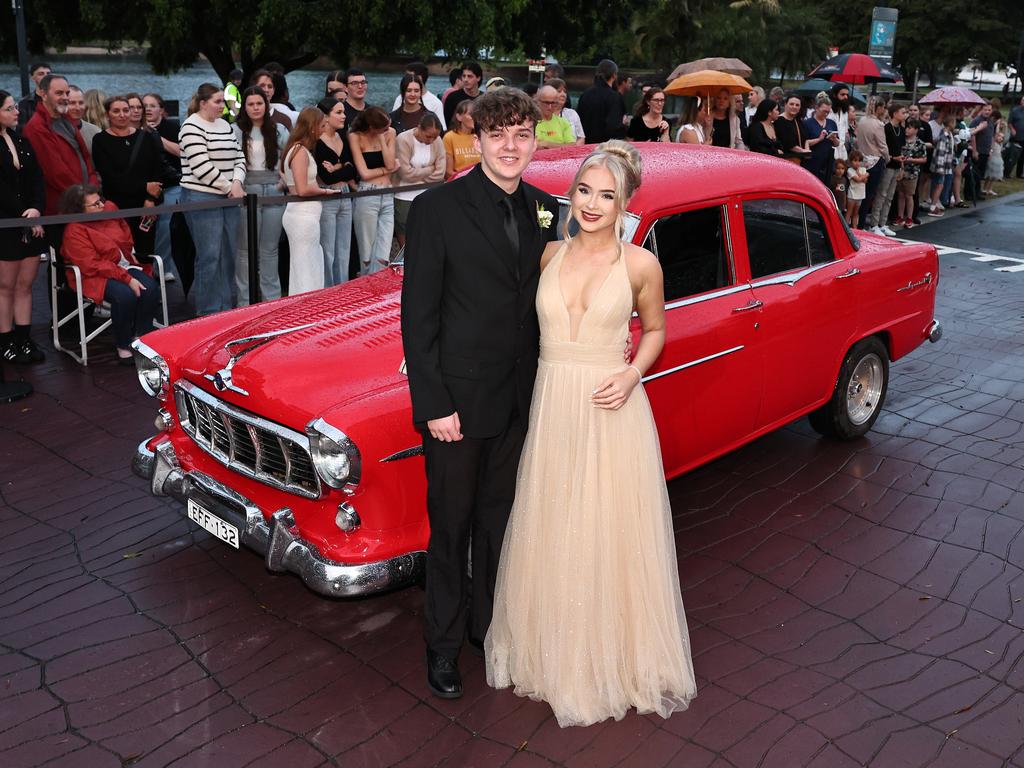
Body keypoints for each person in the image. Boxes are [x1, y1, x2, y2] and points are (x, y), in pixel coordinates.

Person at [485, 139, 697, 727]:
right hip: (552, 405)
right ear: (570, 196)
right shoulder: (547, 255)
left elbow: (654, 330)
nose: (593, 204)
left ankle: (610, 658)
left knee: (606, 531)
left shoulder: (640, 265)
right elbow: (496, 314)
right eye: (585, 191)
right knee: (553, 524)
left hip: (611, 408)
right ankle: (551, 650)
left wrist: (631, 374)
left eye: (608, 194)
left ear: (626, 201)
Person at [400, 87, 559, 700]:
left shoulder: (548, 209)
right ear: (478, 139)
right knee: (451, 532)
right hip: (457, 411)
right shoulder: (437, 209)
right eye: (499, 135)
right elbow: (419, 319)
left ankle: (485, 630)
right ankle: (440, 649)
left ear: (534, 139)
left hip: (520, 401)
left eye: (522, 134)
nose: (511, 146)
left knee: (499, 526)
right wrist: (434, 404)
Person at [59, 184, 160, 364]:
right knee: (125, 295)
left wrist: (127, 259)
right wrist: (127, 279)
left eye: (100, 201)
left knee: (150, 288)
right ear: (79, 209)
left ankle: (141, 338)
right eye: (95, 204)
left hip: (122, 266)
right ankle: (123, 344)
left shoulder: (109, 209)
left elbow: (125, 233)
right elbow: (91, 264)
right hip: (92, 275)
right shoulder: (74, 230)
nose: (101, 206)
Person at [179, 83, 246, 316]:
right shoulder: (190, 127)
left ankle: (227, 309)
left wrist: (237, 183)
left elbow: (239, 156)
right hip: (201, 197)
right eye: (218, 101)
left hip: (229, 196)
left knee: (228, 254)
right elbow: (200, 166)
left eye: (223, 101)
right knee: (209, 256)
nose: (222, 106)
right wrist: (230, 187)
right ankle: (207, 311)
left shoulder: (225, 125)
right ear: (203, 103)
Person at [91, 95, 176, 259]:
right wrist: (145, 187)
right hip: (117, 207)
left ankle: (148, 283)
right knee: (122, 252)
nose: (122, 114)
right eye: (116, 111)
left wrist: (150, 199)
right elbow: (111, 178)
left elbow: (157, 169)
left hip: (146, 206)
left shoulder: (146, 137)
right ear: (107, 114)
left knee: (146, 252)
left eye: (125, 110)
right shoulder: (101, 140)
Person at [0, 90, 46, 365]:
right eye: (9, 108)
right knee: (5, 286)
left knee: (25, 285)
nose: (16, 111)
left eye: (15, 107)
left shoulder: (21, 139)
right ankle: (5, 341)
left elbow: (37, 179)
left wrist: (37, 210)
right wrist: (23, 214)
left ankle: (24, 338)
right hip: (6, 225)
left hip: (30, 222)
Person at [234, 86, 289, 302]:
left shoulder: (278, 130)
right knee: (245, 251)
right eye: (251, 104)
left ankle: (271, 301)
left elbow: (292, 156)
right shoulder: (235, 129)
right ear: (244, 107)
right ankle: (244, 301)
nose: (256, 108)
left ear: (266, 105)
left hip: (273, 190)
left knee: (269, 250)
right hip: (247, 190)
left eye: (259, 103)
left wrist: (285, 180)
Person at [23, 73, 100, 217]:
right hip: (65, 206)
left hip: (86, 200)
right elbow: (55, 172)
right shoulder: (36, 127)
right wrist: (83, 196)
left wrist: (92, 188)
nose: (65, 97)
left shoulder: (68, 121)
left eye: (67, 93)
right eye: (59, 93)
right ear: (43, 94)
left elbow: (85, 159)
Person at [281, 107, 337, 295]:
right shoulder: (300, 152)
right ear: (312, 127)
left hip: (303, 215)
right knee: (306, 268)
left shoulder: (295, 149)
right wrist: (326, 191)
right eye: (321, 126)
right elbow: (303, 188)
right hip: (303, 217)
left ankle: (304, 307)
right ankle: (306, 310)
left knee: (306, 264)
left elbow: (289, 183)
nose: (323, 130)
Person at [348, 106, 397, 275]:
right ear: (371, 127)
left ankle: (380, 287)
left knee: (384, 250)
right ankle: (366, 286)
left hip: (387, 192)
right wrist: (386, 170)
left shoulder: (389, 133)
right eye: (383, 128)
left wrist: (383, 137)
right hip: (368, 193)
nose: (387, 129)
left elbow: (390, 164)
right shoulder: (356, 137)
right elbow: (364, 173)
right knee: (366, 250)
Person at [315, 97, 357, 287]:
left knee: (344, 249)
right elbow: (326, 177)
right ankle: (328, 291)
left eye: (344, 112)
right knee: (327, 250)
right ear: (325, 115)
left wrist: (338, 166)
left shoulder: (343, 137)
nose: (343, 116)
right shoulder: (317, 141)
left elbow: (353, 169)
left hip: (346, 194)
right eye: (338, 112)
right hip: (327, 195)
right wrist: (344, 167)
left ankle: (343, 290)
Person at [143, 92, 183, 281]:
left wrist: (157, 137)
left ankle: (164, 267)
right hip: (147, 187)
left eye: (152, 105)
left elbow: (181, 151)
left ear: (161, 109)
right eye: (145, 106)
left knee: (166, 226)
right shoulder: (137, 129)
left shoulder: (172, 127)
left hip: (172, 185)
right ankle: (145, 267)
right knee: (147, 227)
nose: (148, 109)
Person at [393, 113, 445, 249]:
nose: (431, 140)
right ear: (419, 128)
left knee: (428, 231)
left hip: (429, 194)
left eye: (435, 137)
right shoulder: (403, 139)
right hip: (404, 195)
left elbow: (440, 173)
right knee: (404, 229)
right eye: (428, 136)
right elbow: (405, 174)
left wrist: (417, 175)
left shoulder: (437, 141)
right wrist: (429, 170)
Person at [867, 103, 906, 236]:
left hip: (897, 165)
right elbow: (882, 147)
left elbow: (901, 148)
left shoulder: (901, 129)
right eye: (902, 112)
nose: (904, 115)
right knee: (881, 194)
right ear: (894, 113)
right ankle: (874, 224)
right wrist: (892, 158)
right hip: (887, 164)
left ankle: (882, 223)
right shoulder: (886, 128)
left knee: (889, 196)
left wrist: (901, 166)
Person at [855, 97, 889, 229]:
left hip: (863, 159)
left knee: (861, 194)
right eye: (884, 107)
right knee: (869, 195)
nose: (885, 109)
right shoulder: (878, 125)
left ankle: (857, 222)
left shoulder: (862, 120)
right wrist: (887, 158)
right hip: (875, 160)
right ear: (879, 108)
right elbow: (882, 146)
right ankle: (862, 224)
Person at [577, 59, 626, 144]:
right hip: (605, 147)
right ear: (614, 75)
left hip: (586, 144)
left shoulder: (585, 94)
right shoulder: (614, 97)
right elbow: (613, 126)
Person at [390, 62, 446, 130]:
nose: (412, 94)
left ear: (419, 78)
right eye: (409, 90)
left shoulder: (436, 103)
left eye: (409, 76)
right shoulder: (399, 98)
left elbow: (440, 130)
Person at [801, 95, 839, 183]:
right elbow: (804, 143)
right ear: (816, 108)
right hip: (812, 162)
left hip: (827, 163)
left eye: (828, 112)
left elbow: (837, 144)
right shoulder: (807, 123)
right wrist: (819, 139)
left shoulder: (831, 123)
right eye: (824, 111)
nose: (826, 114)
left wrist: (834, 139)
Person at [927, 113, 956, 216]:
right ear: (950, 123)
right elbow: (940, 153)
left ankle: (934, 204)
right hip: (941, 166)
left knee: (937, 185)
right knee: (939, 185)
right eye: (954, 122)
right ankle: (933, 207)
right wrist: (940, 169)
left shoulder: (948, 135)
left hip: (944, 165)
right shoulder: (944, 137)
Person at [442, 99, 480, 179]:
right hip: (459, 181)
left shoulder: (481, 136)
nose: (474, 118)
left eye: (476, 114)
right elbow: (448, 172)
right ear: (459, 117)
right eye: (471, 114)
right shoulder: (449, 137)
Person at [443, 61, 483, 128]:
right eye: (464, 76)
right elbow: (447, 123)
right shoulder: (452, 98)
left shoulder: (484, 99)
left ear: (478, 78)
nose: (465, 79)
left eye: (470, 76)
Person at [545, 77, 584, 143]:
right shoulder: (539, 115)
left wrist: (573, 151)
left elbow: (581, 138)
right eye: (559, 91)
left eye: (564, 91)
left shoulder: (572, 113)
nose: (563, 94)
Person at [774, 94, 811, 164]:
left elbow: (805, 138)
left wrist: (807, 151)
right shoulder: (779, 121)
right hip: (785, 161)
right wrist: (803, 151)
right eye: (791, 104)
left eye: (797, 105)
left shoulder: (798, 121)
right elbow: (788, 144)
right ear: (785, 105)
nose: (794, 107)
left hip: (800, 160)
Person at [16, 62, 50, 129]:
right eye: (41, 74)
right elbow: (22, 130)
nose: (46, 76)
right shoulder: (25, 103)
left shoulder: (59, 99)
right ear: (33, 78)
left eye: (48, 74)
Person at [67, 86, 100, 153]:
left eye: (81, 103)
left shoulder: (95, 132)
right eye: (72, 103)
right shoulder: (54, 130)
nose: (78, 108)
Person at [983, 119, 1005, 195]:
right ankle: (985, 189)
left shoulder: (1000, 144)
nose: (1001, 138)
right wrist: (998, 124)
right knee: (989, 176)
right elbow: (996, 133)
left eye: (1002, 137)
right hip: (993, 160)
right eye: (999, 137)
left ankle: (990, 189)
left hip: (998, 160)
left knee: (994, 177)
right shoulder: (994, 142)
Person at [846, 150, 868, 226]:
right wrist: (866, 175)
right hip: (852, 195)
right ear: (851, 161)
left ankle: (855, 229)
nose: (857, 163)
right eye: (855, 160)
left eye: (859, 161)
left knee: (856, 213)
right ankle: (845, 228)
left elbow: (865, 181)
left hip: (860, 195)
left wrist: (862, 175)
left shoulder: (863, 169)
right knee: (849, 212)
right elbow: (858, 180)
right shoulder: (850, 170)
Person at [1008, 95, 1024, 179]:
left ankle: (1019, 173)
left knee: (1022, 157)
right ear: (1021, 101)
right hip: (1016, 137)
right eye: (1023, 100)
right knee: (1013, 155)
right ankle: (1008, 172)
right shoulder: (1015, 111)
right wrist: (1012, 129)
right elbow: (1009, 122)